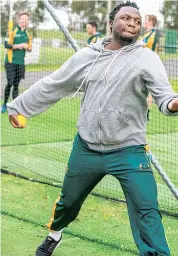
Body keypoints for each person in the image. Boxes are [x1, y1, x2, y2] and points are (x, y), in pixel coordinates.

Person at [7, 1, 178, 256]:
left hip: (129, 150)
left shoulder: (147, 58)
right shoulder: (88, 56)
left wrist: (173, 104)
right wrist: (19, 106)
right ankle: (55, 235)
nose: (132, 23)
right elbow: (54, 84)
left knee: (147, 208)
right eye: (126, 18)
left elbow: (165, 97)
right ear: (111, 24)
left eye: (137, 21)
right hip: (87, 148)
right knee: (68, 202)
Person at [1, 12, 32, 113]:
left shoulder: (28, 34)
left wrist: (28, 47)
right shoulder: (12, 31)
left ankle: (14, 107)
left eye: (26, 19)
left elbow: (30, 48)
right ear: (19, 20)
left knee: (16, 85)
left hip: (21, 63)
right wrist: (20, 45)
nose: (24, 21)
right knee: (10, 82)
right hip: (10, 62)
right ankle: (4, 104)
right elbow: (6, 45)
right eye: (22, 19)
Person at [140, 15, 159, 120]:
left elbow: (148, 46)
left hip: (149, 64)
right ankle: (143, 111)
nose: (144, 22)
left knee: (149, 90)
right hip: (142, 63)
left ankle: (146, 112)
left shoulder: (153, 33)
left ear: (151, 22)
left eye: (146, 20)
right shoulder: (145, 34)